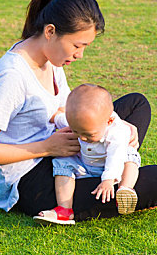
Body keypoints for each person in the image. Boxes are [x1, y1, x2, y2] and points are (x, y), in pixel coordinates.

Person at [0, 0, 157, 222]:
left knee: (136, 104)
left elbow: (65, 110)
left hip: (68, 148)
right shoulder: (12, 77)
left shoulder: (52, 60)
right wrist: (48, 147)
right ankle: (107, 182)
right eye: (77, 45)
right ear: (50, 31)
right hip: (29, 179)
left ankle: (111, 167)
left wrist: (116, 124)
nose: (80, 55)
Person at [33, 83, 141, 226]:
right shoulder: (79, 120)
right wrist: (53, 117)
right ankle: (64, 210)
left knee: (129, 155)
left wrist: (108, 180)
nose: (82, 138)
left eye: (88, 134)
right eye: (76, 131)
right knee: (63, 162)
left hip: (111, 168)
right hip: (83, 165)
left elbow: (115, 158)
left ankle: (125, 188)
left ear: (108, 121)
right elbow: (60, 119)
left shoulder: (118, 132)